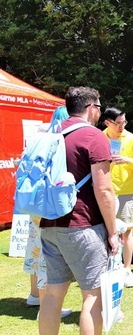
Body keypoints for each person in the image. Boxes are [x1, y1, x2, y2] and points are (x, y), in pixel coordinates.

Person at [39, 87, 120, 335]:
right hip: (83, 225)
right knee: (93, 297)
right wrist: (113, 232)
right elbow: (104, 189)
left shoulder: (53, 134)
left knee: (53, 294)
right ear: (91, 108)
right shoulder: (93, 136)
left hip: (50, 224)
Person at [23, 106, 72, 319]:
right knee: (47, 256)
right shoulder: (61, 142)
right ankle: (47, 305)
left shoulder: (39, 139)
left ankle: (34, 295)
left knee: (35, 248)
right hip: (50, 205)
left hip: (34, 202)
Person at [102, 107, 133, 288]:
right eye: (118, 123)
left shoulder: (132, 139)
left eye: (124, 122)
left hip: (127, 191)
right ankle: (108, 268)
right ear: (107, 123)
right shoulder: (99, 137)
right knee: (105, 231)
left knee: (127, 230)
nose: (121, 126)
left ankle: (127, 270)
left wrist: (127, 160)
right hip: (104, 191)